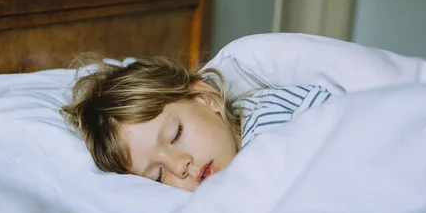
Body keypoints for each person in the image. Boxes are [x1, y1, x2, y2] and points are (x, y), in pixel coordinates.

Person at [62, 55, 331, 191]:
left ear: (205, 98)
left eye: (176, 134)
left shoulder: (274, 123)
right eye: (157, 176)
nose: (179, 165)